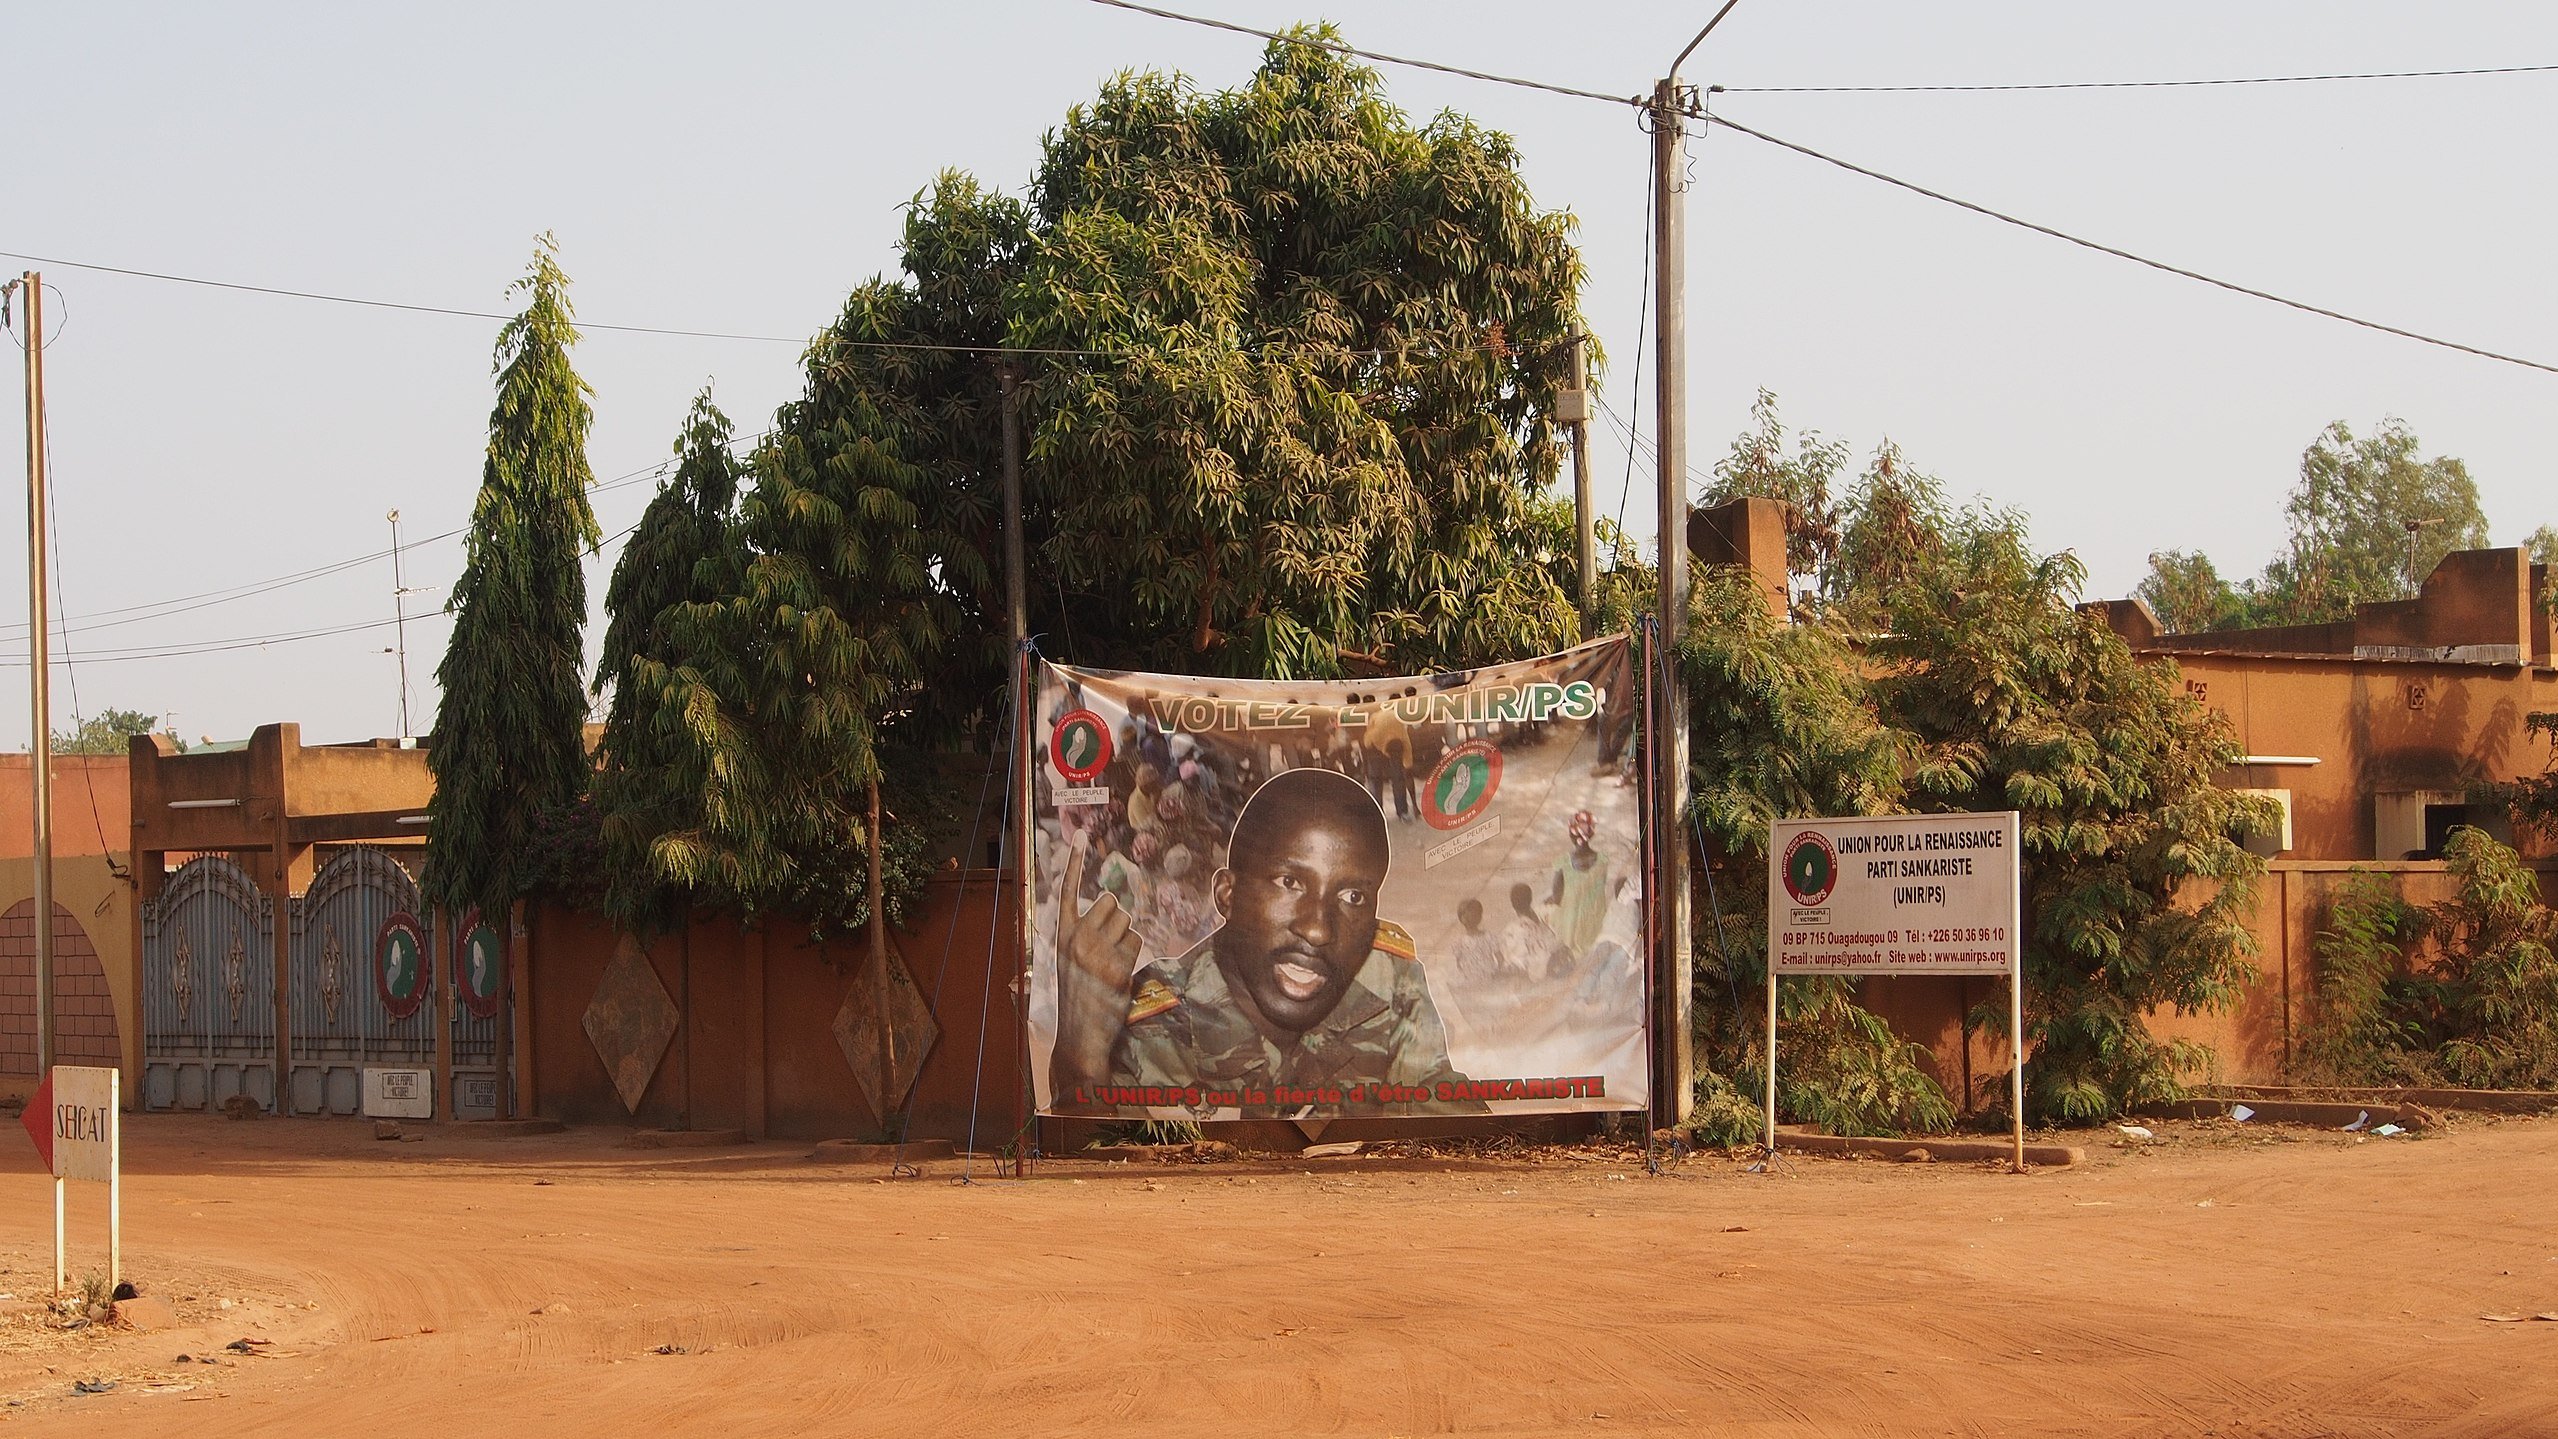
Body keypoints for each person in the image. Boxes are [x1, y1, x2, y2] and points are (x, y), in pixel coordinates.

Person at [1049, 767, 1479, 1117]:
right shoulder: (1153, 1021)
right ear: (1226, 895)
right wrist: (1080, 1061)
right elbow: (1105, 1187)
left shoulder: (1389, 978)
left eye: (1352, 897)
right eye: (1289, 882)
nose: (1317, 930)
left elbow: (1446, 1118)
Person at [1546, 811, 1612, 966]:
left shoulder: (1563, 863)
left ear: (1571, 835)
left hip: (1571, 925)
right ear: (1591, 834)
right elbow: (1598, 887)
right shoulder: (1602, 861)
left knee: (1546, 908)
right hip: (1595, 921)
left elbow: (1557, 897)